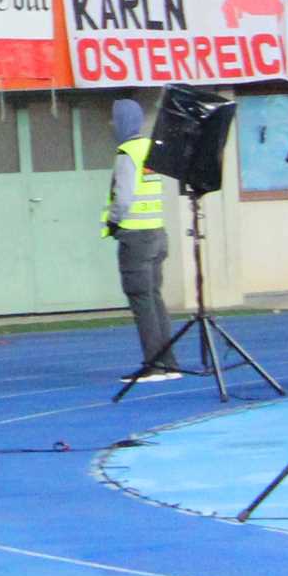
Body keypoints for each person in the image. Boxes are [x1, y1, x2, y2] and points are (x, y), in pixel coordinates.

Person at [107, 97, 180, 382]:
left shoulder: (127, 153)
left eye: (114, 118)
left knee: (142, 300)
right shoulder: (151, 149)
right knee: (155, 298)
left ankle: (154, 365)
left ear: (123, 121)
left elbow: (124, 197)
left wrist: (113, 221)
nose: (111, 124)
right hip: (157, 234)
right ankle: (169, 363)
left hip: (136, 238)